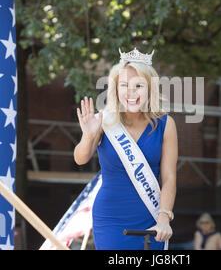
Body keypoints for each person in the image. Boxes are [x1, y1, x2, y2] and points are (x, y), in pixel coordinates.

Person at [74, 48, 178, 250]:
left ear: (150, 89)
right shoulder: (104, 120)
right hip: (110, 218)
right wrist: (88, 136)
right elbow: (80, 158)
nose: (130, 92)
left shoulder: (166, 124)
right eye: (124, 85)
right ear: (115, 89)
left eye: (138, 85)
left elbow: (169, 178)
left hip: (152, 216)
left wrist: (164, 218)